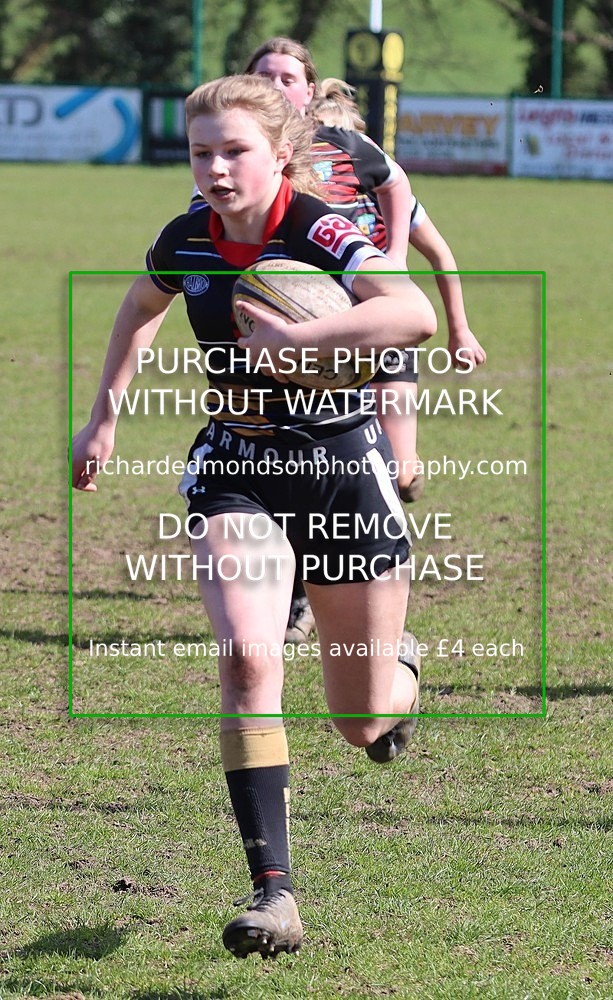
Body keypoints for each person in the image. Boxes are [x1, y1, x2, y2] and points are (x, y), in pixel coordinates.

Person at [72, 75, 437, 959]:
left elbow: (412, 313)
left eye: (234, 150)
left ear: (278, 153)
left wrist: (297, 341)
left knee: (362, 721)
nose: (215, 169)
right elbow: (141, 303)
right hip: (238, 465)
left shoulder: (319, 229)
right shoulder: (187, 236)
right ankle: (274, 892)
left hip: (341, 470)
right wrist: (104, 415)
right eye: (201, 152)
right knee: (246, 654)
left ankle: (400, 670)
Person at [236, 38, 486, 644]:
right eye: (263, 76)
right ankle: (302, 597)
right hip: (297, 334)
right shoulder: (240, 158)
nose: (275, 87)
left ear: (309, 89)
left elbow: (403, 194)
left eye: (287, 78)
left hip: (374, 328)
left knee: (395, 472)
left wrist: (398, 260)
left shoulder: (347, 149)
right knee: (300, 468)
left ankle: (375, 592)